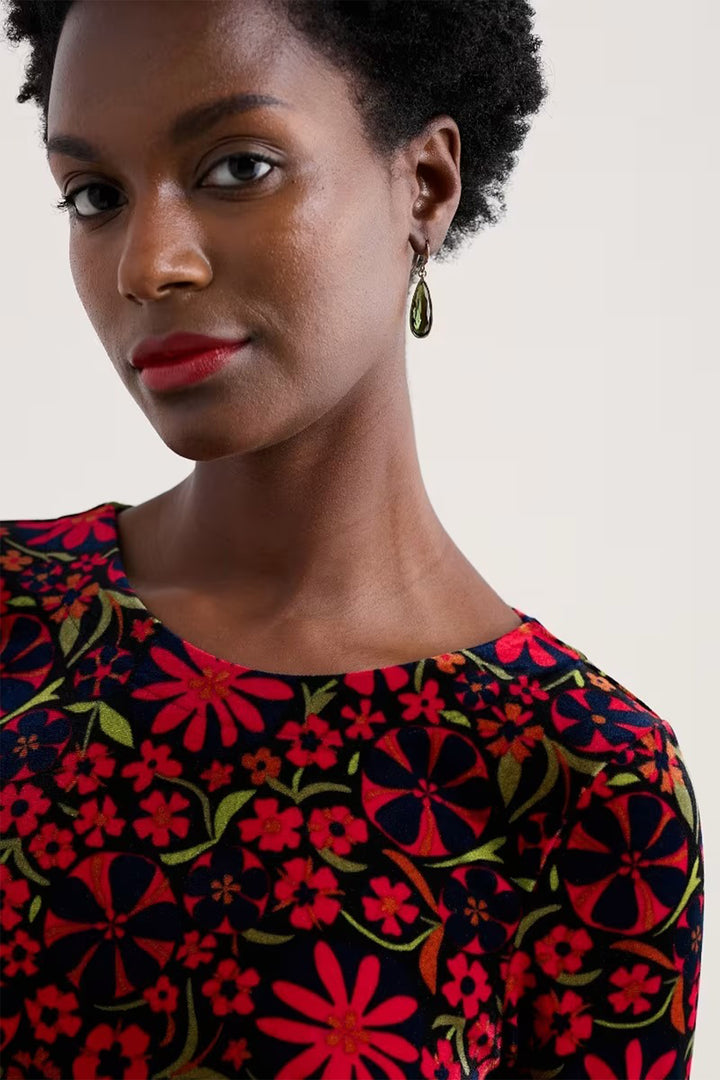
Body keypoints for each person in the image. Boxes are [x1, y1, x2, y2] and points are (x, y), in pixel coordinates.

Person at [0, 2, 703, 1077]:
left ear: (422, 183)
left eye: (238, 167)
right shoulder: (11, 613)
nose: (149, 263)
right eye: (95, 195)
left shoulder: (584, 783)